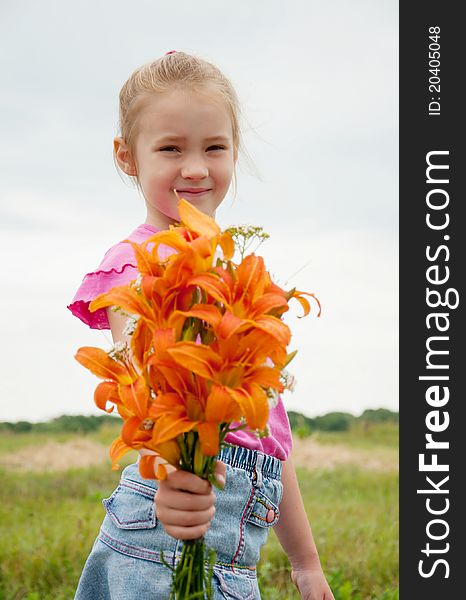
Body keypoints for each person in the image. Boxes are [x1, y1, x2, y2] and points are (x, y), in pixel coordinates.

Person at [68, 50, 334, 600]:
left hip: (239, 534)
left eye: (215, 147)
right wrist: (167, 481)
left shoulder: (240, 277)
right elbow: (145, 394)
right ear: (127, 156)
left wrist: (305, 562)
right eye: (170, 148)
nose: (195, 167)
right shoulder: (133, 263)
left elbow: (269, 436)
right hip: (166, 519)